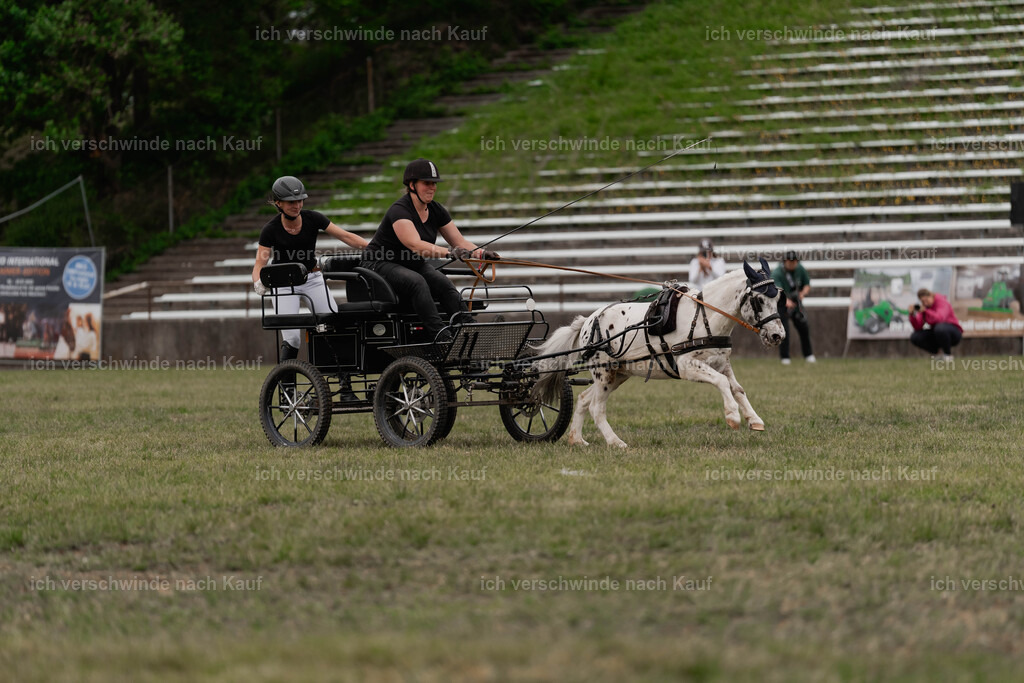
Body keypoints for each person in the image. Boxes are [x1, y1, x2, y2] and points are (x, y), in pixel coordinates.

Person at [252, 175, 369, 399]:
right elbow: (260, 262)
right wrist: (258, 281)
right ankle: (288, 393)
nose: (296, 205)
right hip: (283, 284)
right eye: (290, 202)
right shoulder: (270, 229)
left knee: (332, 322)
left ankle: (346, 387)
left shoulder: (313, 218)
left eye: (300, 200)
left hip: (312, 277)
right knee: (293, 338)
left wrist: (373, 246)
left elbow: (345, 236)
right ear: (278, 203)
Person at [360, 158, 499, 341]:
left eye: (434, 183)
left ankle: (469, 331)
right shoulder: (399, 211)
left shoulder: (436, 210)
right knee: (417, 282)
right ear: (412, 185)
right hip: (378, 264)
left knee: (444, 284)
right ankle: (441, 337)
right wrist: (449, 253)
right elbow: (415, 245)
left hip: (410, 264)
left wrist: (481, 253)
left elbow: (459, 241)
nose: (432, 187)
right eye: (426, 183)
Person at [772, 250, 816, 365]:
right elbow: (777, 290)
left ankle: (809, 355)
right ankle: (785, 357)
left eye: (794, 261)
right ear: (785, 261)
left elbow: (807, 284)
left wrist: (802, 294)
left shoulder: (800, 269)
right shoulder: (777, 273)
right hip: (782, 305)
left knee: (804, 328)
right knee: (784, 330)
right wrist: (787, 301)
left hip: (796, 304)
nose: (792, 264)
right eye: (789, 261)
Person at [909, 288, 962, 360]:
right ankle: (938, 354)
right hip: (937, 333)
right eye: (922, 301)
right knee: (915, 336)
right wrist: (912, 315)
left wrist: (926, 311)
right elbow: (918, 327)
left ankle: (947, 355)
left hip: (953, 332)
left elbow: (940, 318)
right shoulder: (925, 307)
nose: (925, 303)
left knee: (940, 328)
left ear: (931, 296)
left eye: (926, 300)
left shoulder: (942, 302)